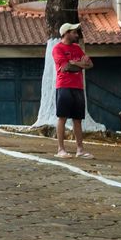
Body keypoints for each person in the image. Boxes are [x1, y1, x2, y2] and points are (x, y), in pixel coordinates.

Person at [52, 21, 94, 159]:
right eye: (74, 32)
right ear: (66, 33)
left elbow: (90, 65)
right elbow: (66, 67)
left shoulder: (77, 48)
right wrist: (80, 64)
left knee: (78, 119)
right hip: (64, 86)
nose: (77, 35)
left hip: (78, 87)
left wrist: (74, 63)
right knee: (62, 117)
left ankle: (80, 150)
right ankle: (60, 149)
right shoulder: (57, 49)